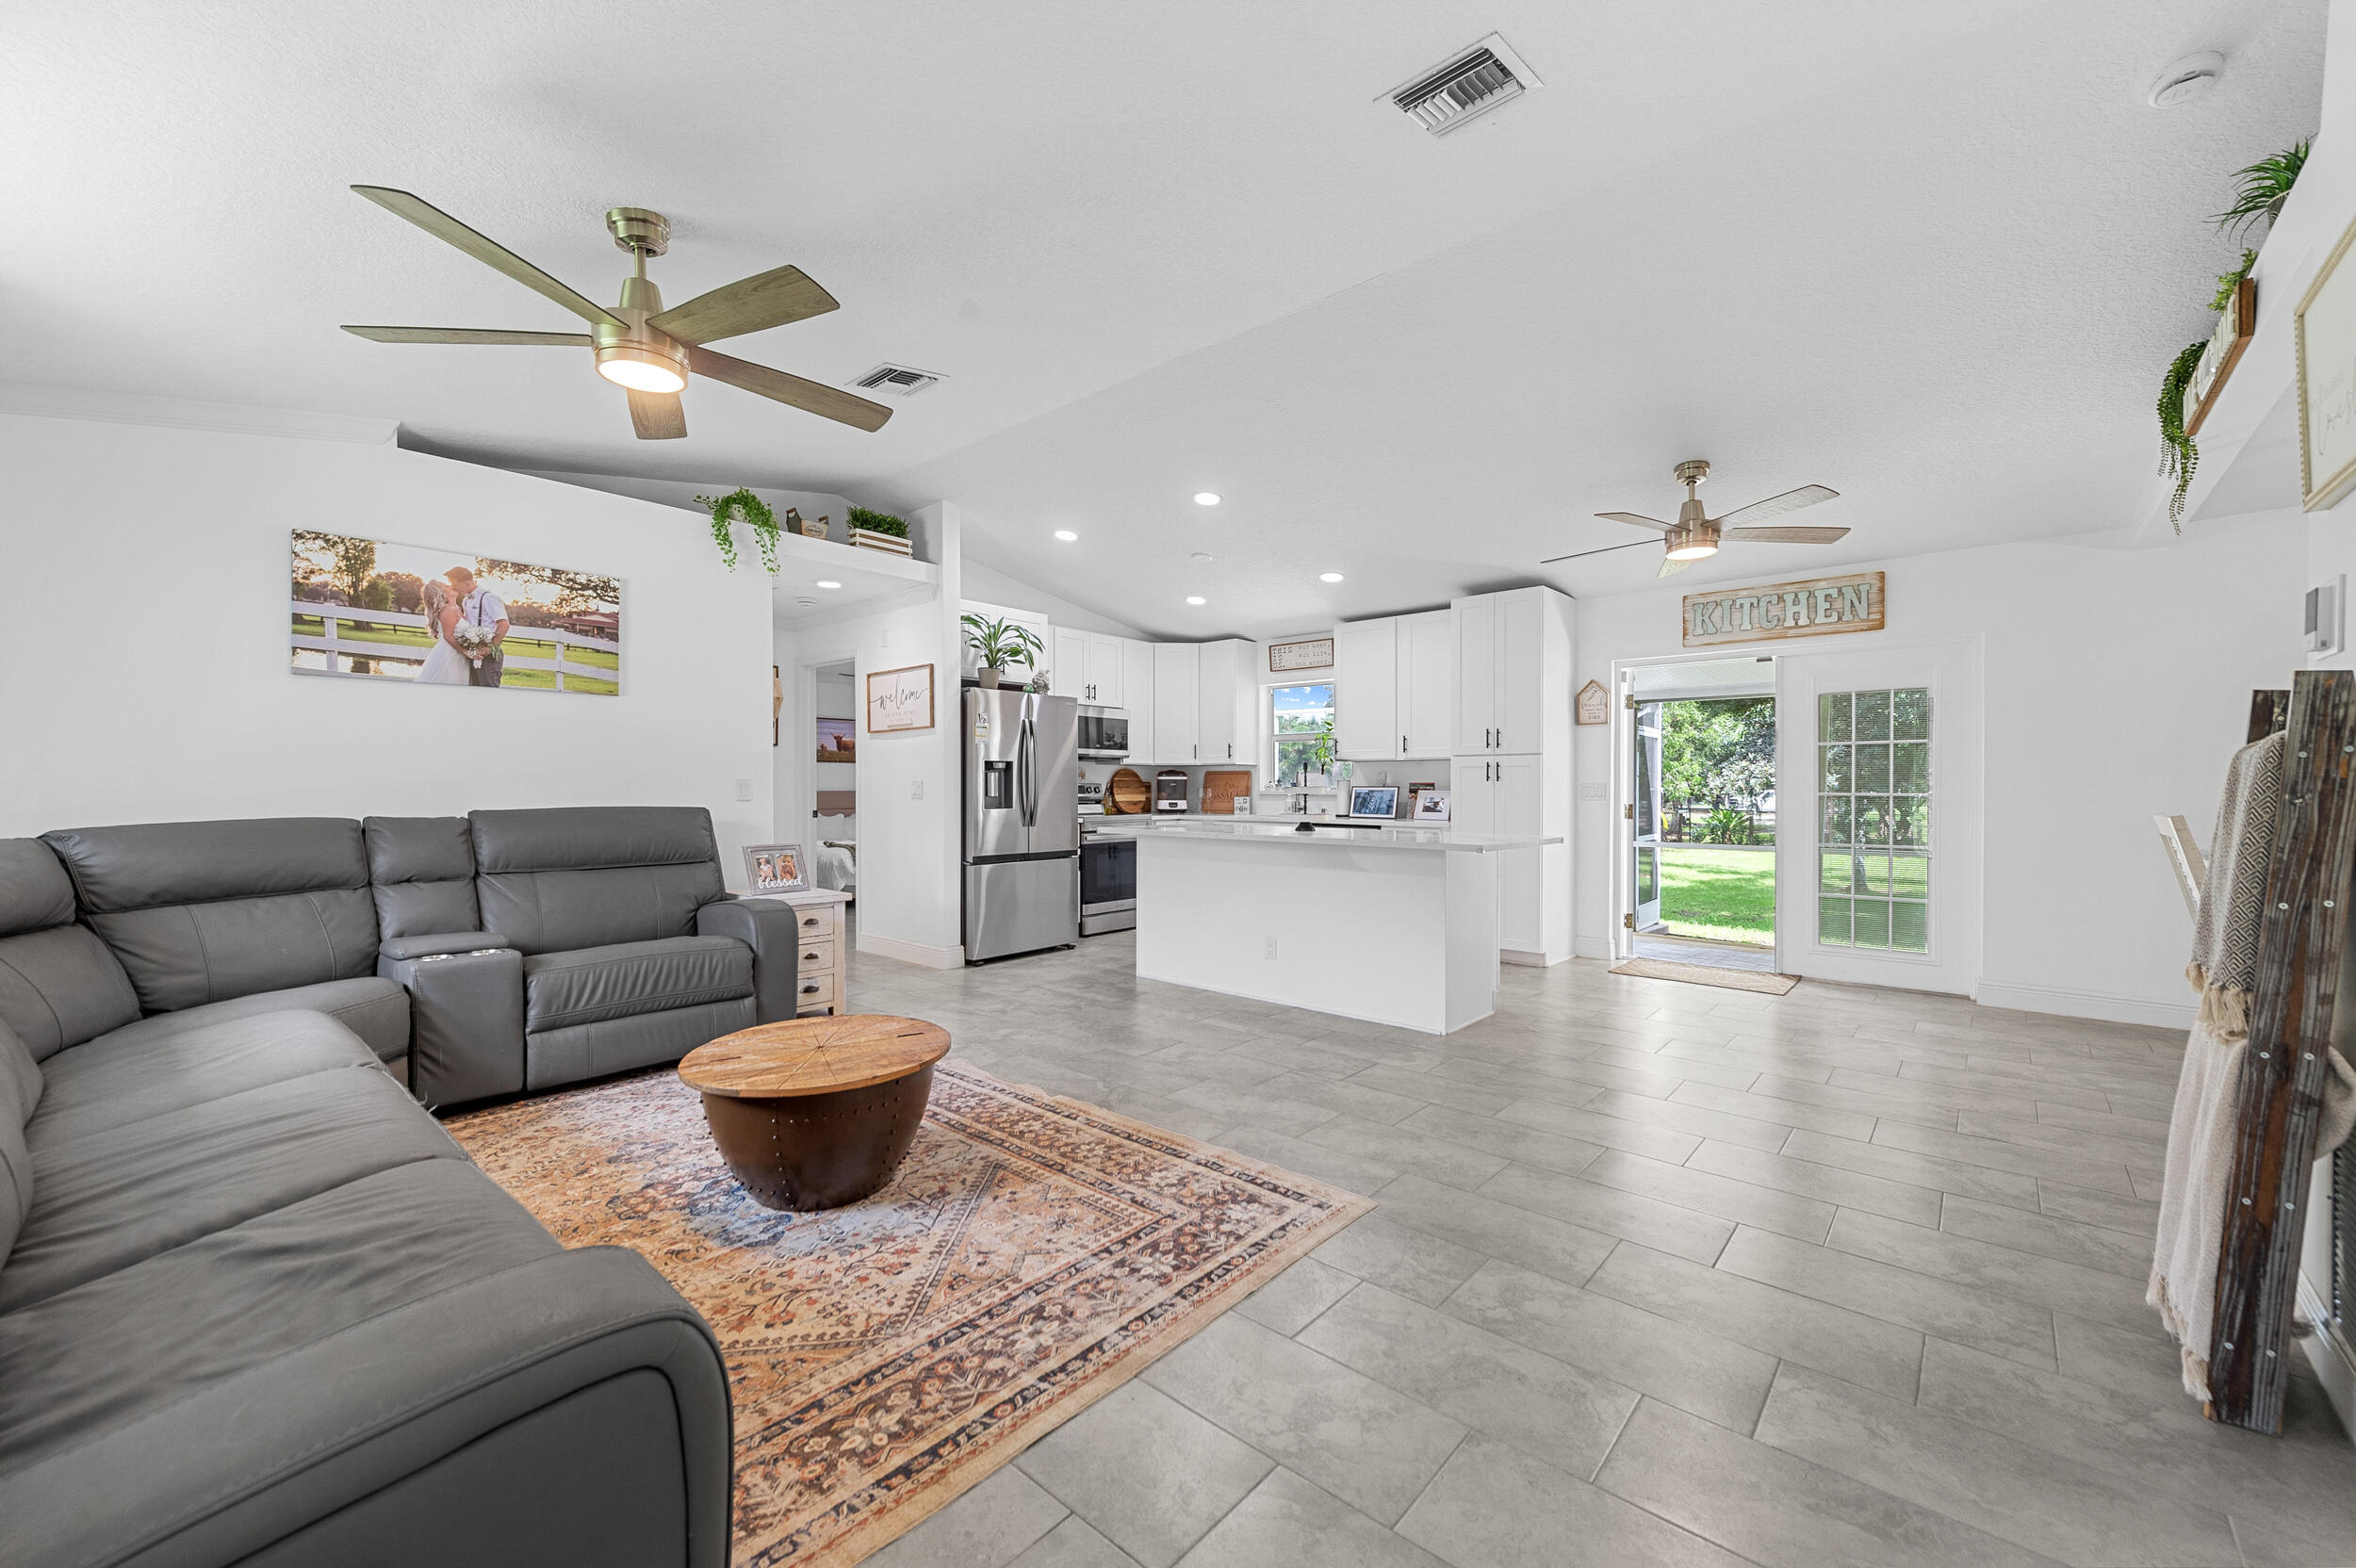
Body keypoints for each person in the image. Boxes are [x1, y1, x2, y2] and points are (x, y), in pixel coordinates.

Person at [446, 565, 508, 688]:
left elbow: (504, 624)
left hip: (488, 654)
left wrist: (491, 647)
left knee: (488, 690)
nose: (453, 587)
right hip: (473, 653)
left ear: (467, 583)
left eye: (454, 584)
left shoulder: (489, 598)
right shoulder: (465, 600)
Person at [415, 579, 470, 686]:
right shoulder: (448, 610)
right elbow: (448, 636)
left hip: (458, 653)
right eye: (446, 587)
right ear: (441, 593)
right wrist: (466, 652)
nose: (451, 586)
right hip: (449, 655)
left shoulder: (457, 608)